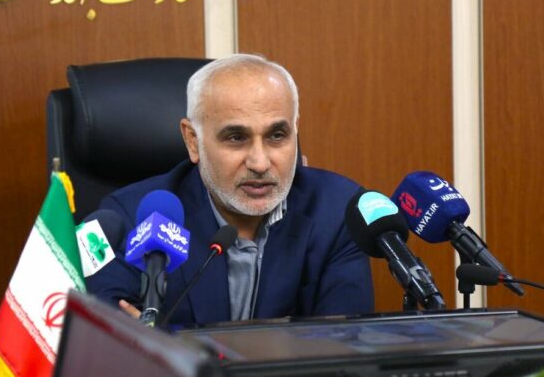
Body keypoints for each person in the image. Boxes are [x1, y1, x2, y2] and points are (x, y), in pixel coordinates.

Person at [86, 54, 374, 326]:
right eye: (236, 138)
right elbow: (110, 342)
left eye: (277, 135)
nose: (260, 163)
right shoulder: (130, 218)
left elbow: (343, 343)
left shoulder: (339, 212)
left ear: (295, 130)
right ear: (193, 141)